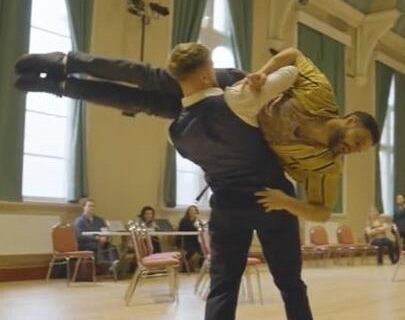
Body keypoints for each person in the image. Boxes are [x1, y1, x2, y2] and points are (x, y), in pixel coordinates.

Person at [14, 47, 380, 222]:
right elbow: (295, 56)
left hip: (225, 126)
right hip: (234, 89)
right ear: (351, 120)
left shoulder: (325, 167)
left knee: (146, 103)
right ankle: (67, 62)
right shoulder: (322, 94)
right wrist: (261, 72)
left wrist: (287, 202)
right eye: (359, 140)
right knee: (155, 78)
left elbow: (321, 212)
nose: (353, 149)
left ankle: (61, 88)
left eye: (360, 151)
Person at [165, 43, 312, 319]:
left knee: (222, 286)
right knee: (290, 283)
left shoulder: (174, 132)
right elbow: (293, 71)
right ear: (205, 75)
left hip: (227, 208)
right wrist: (261, 74)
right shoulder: (237, 98)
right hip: (273, 201)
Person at [72, 198, 120, 273]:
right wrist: (96, 238)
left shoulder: (99, 220)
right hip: (86, 244)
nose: (92, 208)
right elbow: (79, 236)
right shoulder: (79, 221)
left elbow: (105, 230)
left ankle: (115, 264)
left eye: (93, 206)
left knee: (112, 247)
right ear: (84, 207)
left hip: (101, 242)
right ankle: (106, 265)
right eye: (89, 206)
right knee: (97, 247)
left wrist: (105, 238)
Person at [177, 205, 203, 271]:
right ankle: (186, 266)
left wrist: (197, 222)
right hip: (185, 240)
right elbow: (179, 232)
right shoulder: (183, 221)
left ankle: (191, 266)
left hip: (195, 241)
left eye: (194, 211)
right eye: (191, 210)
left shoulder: (198, 221)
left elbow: (201, 231)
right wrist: (178, 244)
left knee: (197, 253)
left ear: (196, 212)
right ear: (188, 212)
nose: (192, 212)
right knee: (188, 251)